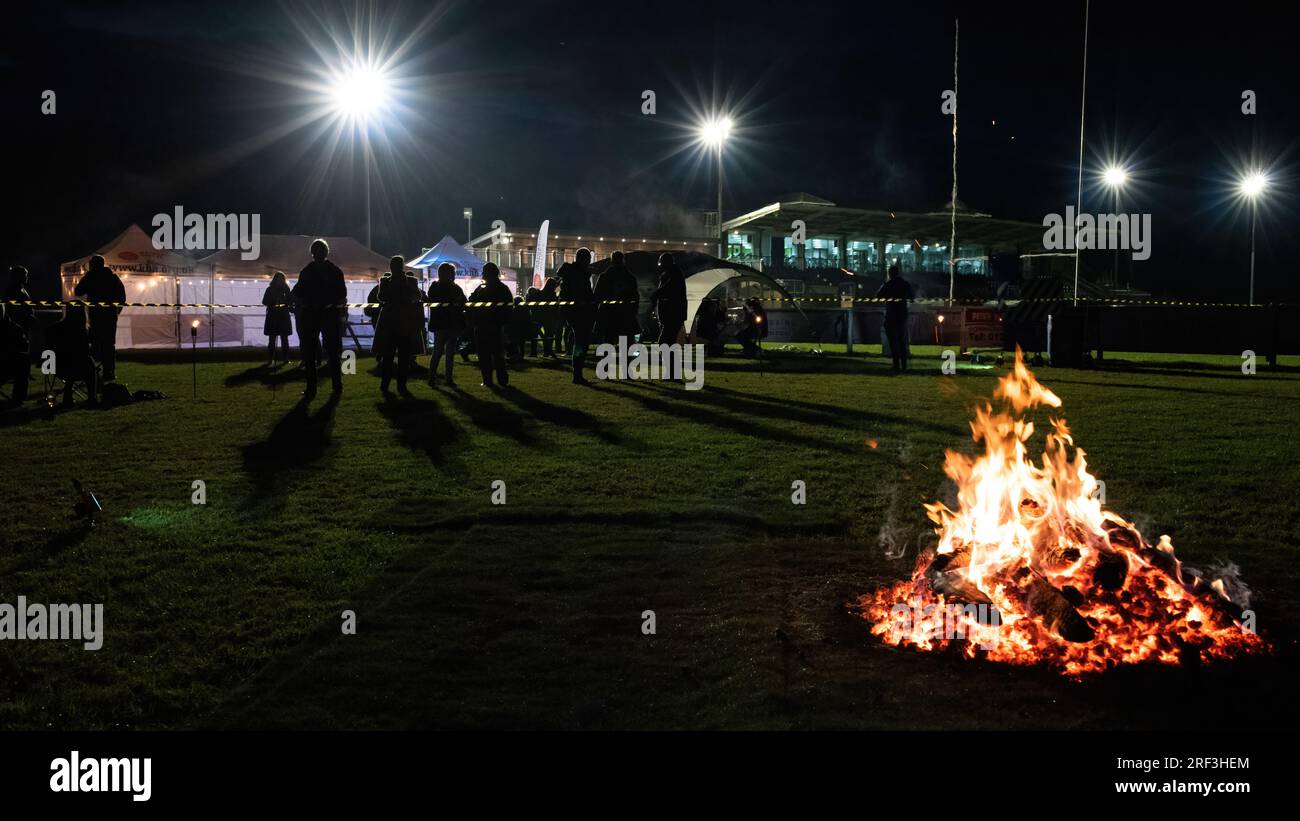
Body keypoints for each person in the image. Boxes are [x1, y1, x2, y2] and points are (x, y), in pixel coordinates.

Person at [291, 238, 347, 398]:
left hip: (315, 314)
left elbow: (298, 292)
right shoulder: (334, 271)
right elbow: (342, 294)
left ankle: (314, 387)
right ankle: (335, 386)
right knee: (330, 352)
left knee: (314, 353)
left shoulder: (308, 271)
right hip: (326, 314)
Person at [372, 256, 427, 396]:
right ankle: (387, 384)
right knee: (389, 357)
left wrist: (403, 288)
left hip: (403, 323)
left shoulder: (410, 281)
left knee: (402, 357)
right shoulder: (386, 281)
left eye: (396, 265)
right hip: (392, 323)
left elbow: (417, 296)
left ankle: (399, 385)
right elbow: (381, 297)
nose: (394, 268)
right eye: (393, 265)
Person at [72, 255, 125, 383]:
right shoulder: (112, 277)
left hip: (95, 316)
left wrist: (87, 278)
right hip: (110, 316)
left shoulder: (90, 277)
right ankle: (109, 372)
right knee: (109, 345)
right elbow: (121, 296)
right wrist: (116, 311)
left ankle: (91, 372)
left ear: (92, 265)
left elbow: (78, 292)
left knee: (93, 344)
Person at [466, 262, 512, 387]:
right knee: (497, 355)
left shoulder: (482, 288)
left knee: (485, 355)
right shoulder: (502, 288)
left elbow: (471, 302)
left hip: (486, 326)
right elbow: (509, 307)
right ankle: (501, 379)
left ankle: (488, 380)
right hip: (493, 326)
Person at [556, 248, 597, 384]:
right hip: (579, 312)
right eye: (588, 260)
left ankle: (577, 373)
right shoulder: (577, 274)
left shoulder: (573, 272)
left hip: (574, 312)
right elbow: (582, 292)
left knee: (580, 343)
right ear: (583, 259)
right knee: (580, 344)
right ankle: (577, 374)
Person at [426, 263, 466, 387]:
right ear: (447, 274)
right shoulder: (454, 288)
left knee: (438, 352)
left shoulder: (434, 287)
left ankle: (432, 377)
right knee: (448, 353)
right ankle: (447, 378)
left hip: (441, 324)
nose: (454, 275)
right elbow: (463, 302)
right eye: (452, 273)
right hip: (450, 323)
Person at [594, 250, 641, 345]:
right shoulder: (629, 277)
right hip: (625, 314)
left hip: (608, 313)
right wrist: (633, 310)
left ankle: (607, 359)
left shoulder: (605, 277)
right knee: (625, 340)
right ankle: (625, 358)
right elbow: (635, 296)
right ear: (623, 260)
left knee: (608, 340)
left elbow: (597, 295)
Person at [876, 264, 914, 371]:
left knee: (893, 341)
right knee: (902, 340)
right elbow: (912, 296)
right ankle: (904, 365)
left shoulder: (888, 284)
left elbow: (878, 295)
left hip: (891, 315)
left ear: (890, 273)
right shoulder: (905, 283)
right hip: (902, 315)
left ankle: (896, 364)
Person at [650, 252, 686, 344]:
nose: (661, 266)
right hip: (671, 314)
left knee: (664, 341)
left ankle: (669, 358)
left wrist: (655, 294)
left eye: (662, 263)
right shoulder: (672, 273)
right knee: (669, 341)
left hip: (672, 314)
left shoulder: (673, 274)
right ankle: (671, 358)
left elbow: (668, 288)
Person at [261, 272, 293, 366]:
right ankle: (270, 358)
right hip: (272, 314)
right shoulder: (269, 289)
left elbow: (290, 301)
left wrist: (287, 302)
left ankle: (286, 358)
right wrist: (273, 301)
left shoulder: (286, 290)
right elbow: (264, 301)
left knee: (284, 338)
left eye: (281, 278)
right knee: (272, 338)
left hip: (283, 314)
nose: (279, 280)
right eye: (277, 278)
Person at [524, 277, 561, 357]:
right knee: (548, 334)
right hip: (547, 317)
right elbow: (555, 308)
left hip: (537, 317)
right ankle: (547, 351)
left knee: (536, 335)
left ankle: (534, 352)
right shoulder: (552, 296)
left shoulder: (539, 293)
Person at [0, 310, 29, 408]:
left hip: (8, 367)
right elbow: (24, 346)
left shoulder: (14, 328)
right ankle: (18, 399)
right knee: (23, 361)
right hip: (10, 368)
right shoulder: (14, 328)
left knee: (22, 360)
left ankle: (18, 399)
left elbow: (24, 346)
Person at [3, 266, 34, 337]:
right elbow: (13, 310)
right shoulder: (12, 291)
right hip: (18, 325)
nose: (26, 277)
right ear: (18, 276)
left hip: (23, 324)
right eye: (25, 275)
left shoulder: (21, 289)